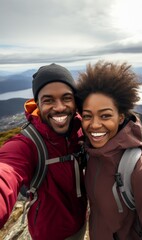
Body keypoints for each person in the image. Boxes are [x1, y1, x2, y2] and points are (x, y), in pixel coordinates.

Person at [0, 63, 87, 240]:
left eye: (66, 98)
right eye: (48, 100)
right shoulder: (27, 144)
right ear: (38, 104)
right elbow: (6, 171)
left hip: (80, 223)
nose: (60, 107)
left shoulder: (81, 129)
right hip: (49, 234)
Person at [76, 60, 142, 240]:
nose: (95, 124)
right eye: (87, 116)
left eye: (105, 115)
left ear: (121, 117)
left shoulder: (139, 171)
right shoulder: (92, 156)